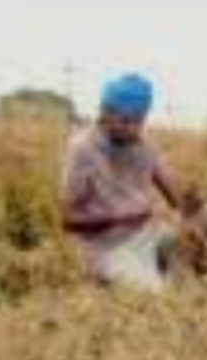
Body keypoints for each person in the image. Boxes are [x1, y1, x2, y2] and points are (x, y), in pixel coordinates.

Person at [60, 73, 185, 292]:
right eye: (126, 121)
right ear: (105, 112)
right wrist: (121, 215)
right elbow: (69, 217)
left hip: (150, 235)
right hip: (108, 248)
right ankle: (151, 279)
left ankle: (167, 272)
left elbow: (176, 197)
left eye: (140, 121)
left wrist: (195, 208)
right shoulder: (82, 148)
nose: (134, 128)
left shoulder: (141, 143)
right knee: (158, 298)